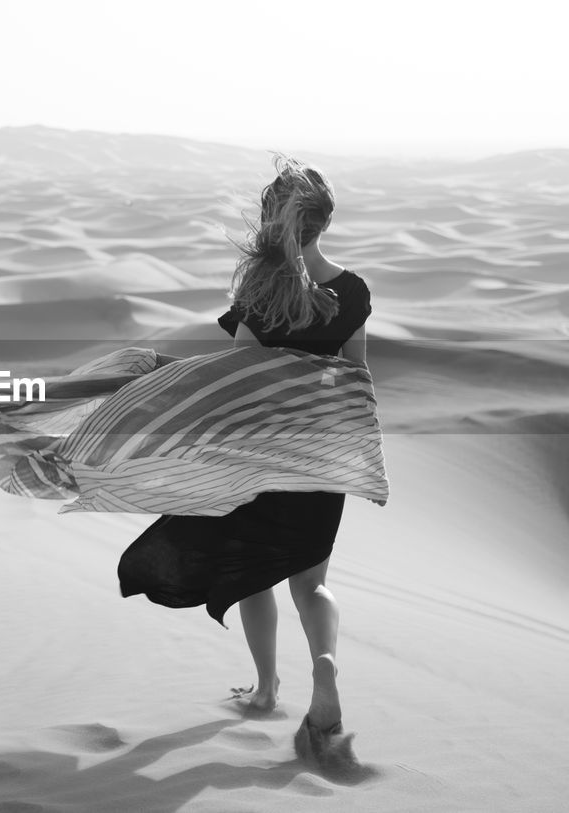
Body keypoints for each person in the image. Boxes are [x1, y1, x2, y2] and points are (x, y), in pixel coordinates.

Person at [117, 156, 373, 766]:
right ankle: (326, 665)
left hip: (261, 458)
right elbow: (359, 375)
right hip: (322, 457)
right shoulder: (353, 291)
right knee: (312, 583)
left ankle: (265, 690)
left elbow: (235, 381)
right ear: (325, 224)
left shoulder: (260, 292)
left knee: (255, 572)